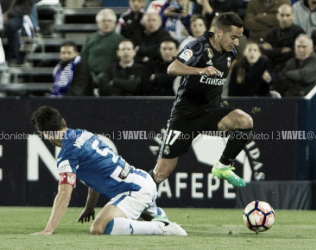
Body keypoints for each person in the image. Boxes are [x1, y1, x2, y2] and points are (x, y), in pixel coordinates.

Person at [30, 106, 187, 236]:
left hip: (134, 191)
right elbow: (96, 177)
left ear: (45, 134)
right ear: (63, 121)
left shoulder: (67, 154)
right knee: (132, 214)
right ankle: (155, 214)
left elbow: (64, 193)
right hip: (143, 179)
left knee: (99, 228)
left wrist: (48, 230)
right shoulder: (83, 133)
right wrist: (90, 207)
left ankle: (160, 228)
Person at [150, 12, 253, 188]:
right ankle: (138, 200)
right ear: (219, 32)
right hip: (186, 116)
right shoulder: (198, 46)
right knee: (160, 174)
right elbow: (172, 68)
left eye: (239, 38)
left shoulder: (231, 53)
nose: (236, 42)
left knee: (245, 121)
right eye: (233, 37)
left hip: (211, 112)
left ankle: (223, 166)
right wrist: (200, 70)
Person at [81, 9, 124, 86]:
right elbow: (83, 58)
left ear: (114, 23)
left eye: (109, 21)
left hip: (109, 77)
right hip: (88, 76)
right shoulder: (90, 38)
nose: (106, 23)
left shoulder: (120, 40)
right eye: (103, 21)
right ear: (98, 23)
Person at [261, 4, 305, 72]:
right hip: (271, 66)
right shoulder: (271, 32)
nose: (284, 19)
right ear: (277, 16)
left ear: (293, 16)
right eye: (282, 15)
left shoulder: (299, 32)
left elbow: (294, 54)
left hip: (290, 68)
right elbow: (264, 51)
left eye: (287, 15)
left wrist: (273, 51)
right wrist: (281, 50)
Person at [1, 0, 34, 66]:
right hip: (2, 13)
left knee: (11, 25)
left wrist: (8, 14)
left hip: (15, 15)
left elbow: (26, 8)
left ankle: (13, 58)